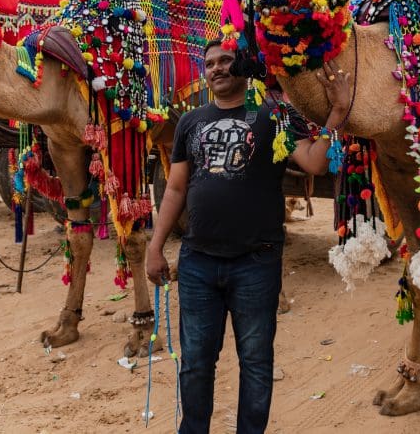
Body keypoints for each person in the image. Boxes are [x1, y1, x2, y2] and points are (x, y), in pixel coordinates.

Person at [146, 40, 352, 434]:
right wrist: (155, 247)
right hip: (197, 263)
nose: (217, 69)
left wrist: (338, 112)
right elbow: (174, 189)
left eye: (225, 61)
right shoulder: (190, 122)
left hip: (256, 263)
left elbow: (314, 161)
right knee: (195, 364)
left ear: (242, 66)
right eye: (210, 64)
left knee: (256, 364)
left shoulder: (274, 115)